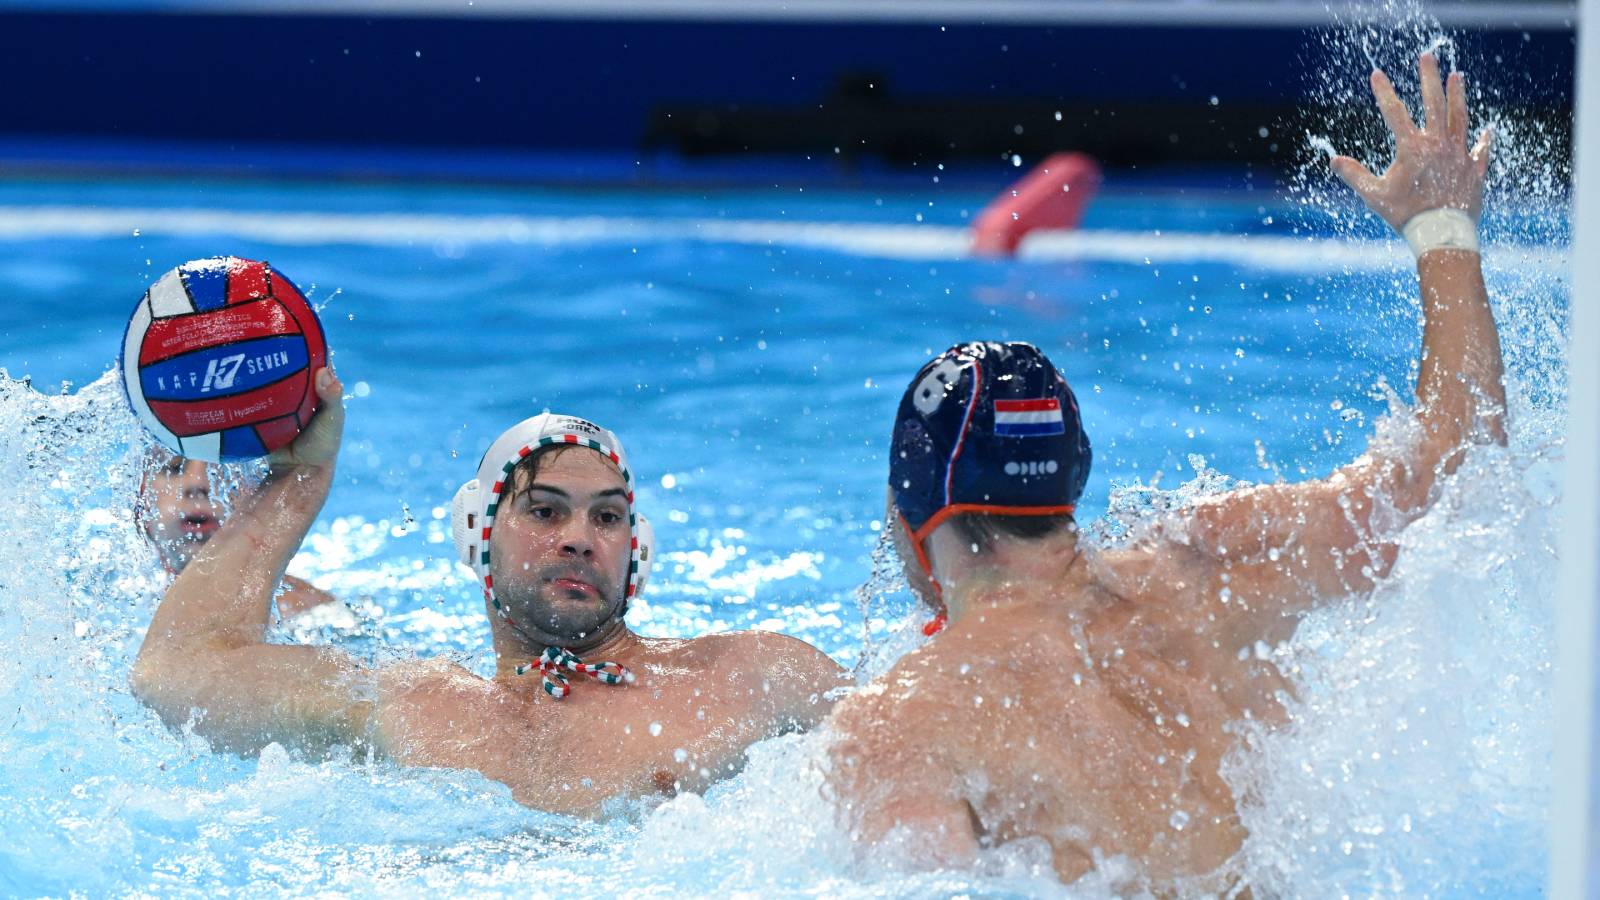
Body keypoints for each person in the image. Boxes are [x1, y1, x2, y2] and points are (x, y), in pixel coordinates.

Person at [825, 53, 1501, 888]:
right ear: (1071, 484)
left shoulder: (900, 724)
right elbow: (1451, 478)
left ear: (911, 518)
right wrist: (1443, 231)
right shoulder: (1212, 568)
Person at [131, 377, 848, 815]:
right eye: (545, 511)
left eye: (607, 518)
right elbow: (175, 671)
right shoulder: (405, 705)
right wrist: (299, 481)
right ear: (477, 535)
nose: (580, 539)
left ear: (637, 555)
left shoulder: (753, 677)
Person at [137, 447, 337, 619]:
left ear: (258, 492)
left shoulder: (305, 613)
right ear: (141, 505)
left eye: (222, 466)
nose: (199, 483)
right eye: (173, 467)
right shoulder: (131, 612)